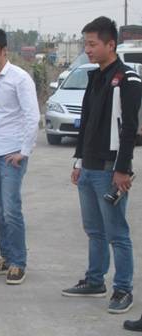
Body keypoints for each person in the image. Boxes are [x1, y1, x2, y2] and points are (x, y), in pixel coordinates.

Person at [62, 17, 141, 314]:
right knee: (94, 230)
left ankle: (123, 289)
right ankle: (95, 281)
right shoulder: (95, 77)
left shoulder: (128, 79)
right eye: (86, 44)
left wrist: (122, 168)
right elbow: (86, 125)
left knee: (117, 233)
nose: (88, 49)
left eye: (93, 44)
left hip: (110, 169)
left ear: (111, 44)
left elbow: (130, 128)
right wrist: (78, 162)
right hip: (88, 167)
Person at [0, 28, 40, 285]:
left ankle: (18, 262)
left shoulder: (20, 78)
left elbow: (32, 116)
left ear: (4, 51)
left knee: (11, 210)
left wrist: (24, 151)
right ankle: (5, 256)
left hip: (11, 155)